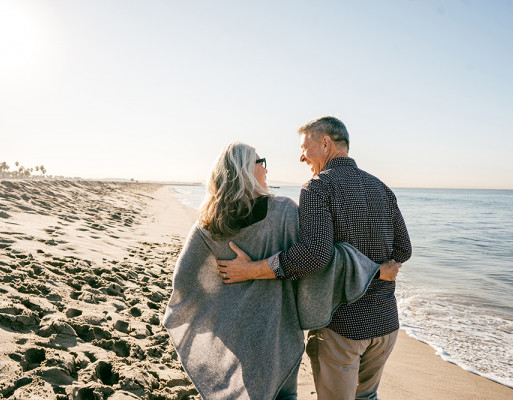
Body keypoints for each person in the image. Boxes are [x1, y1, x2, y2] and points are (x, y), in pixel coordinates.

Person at [163, 142, 400, 400]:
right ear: (245, 170)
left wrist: (215, 310)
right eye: (260, 162)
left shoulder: (209, 222)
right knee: (284, 394)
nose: (265, 170)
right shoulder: (284, 212)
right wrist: (375, 271)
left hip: (234, 328)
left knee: (250, 391)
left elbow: (184, 282)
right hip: (279, 328)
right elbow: (321, 259)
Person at [217, 117, 412, 400]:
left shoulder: (318, 187)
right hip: (386, 324)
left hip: (342, 325)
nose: (300, 157)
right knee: (367, 397)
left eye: (305, 148)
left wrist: (250, 270)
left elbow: (313, 255)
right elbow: (404, 250)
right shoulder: (381, 187)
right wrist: (377, 269)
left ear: (325, 143)